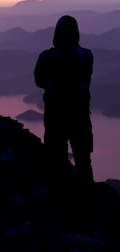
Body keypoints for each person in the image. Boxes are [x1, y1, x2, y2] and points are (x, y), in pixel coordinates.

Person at [34, 15, 94, 184]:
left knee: (56, 156)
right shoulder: (87, 55)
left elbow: (39, 81)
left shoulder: (46, 57)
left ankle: (61, 196)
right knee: (83, 158)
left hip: (55, 113)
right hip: (80, 112)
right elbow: (86, 77)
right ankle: (87, 195)